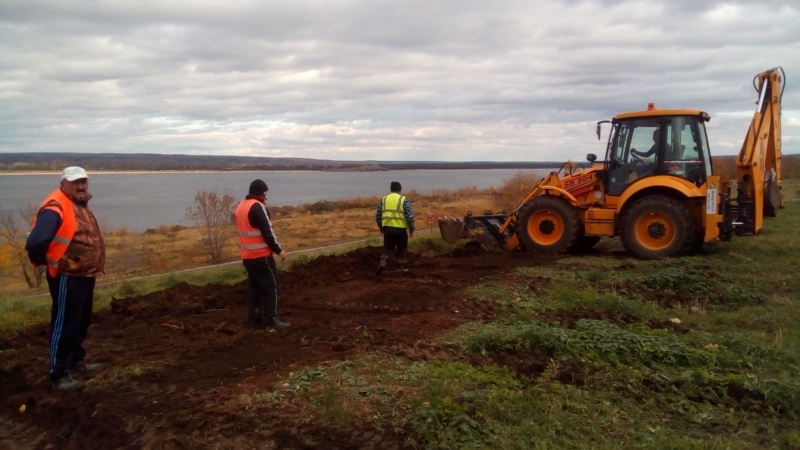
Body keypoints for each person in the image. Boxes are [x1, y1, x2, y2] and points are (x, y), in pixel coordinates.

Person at [25, 166, 106, 392]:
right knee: (65, 323)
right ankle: (59, 374)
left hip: (84, 274)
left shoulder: (78, 203)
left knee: (81, 319)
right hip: (67, 276)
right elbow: (35, 242)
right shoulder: (56, 206)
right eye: (75, 182)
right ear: (63, 184)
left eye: (84, 182)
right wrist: (53, 262)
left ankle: (76, 361)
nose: (81, 186)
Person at [234, 179, 289, 328]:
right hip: (262, 256)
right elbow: (267, 232)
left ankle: (254, 318)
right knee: (273, 287)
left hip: (247, 257)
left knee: (254, 289)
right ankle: (271, 319)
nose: (266, 197)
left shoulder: (240, 207)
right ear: (260, 193)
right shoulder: (258, 207)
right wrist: (279, 251)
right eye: (264, 194)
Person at [375, 181, 415, 274]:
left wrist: (381, 227)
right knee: (401, 248)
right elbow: (409, 216)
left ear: (391, 189)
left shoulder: (384, 199)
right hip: (400, 230)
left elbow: (378, 216)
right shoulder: (403, 200)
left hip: (388, 229)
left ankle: (383, 262)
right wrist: (411, 229)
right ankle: (399, 267)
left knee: (387, 247)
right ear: (400, 189)